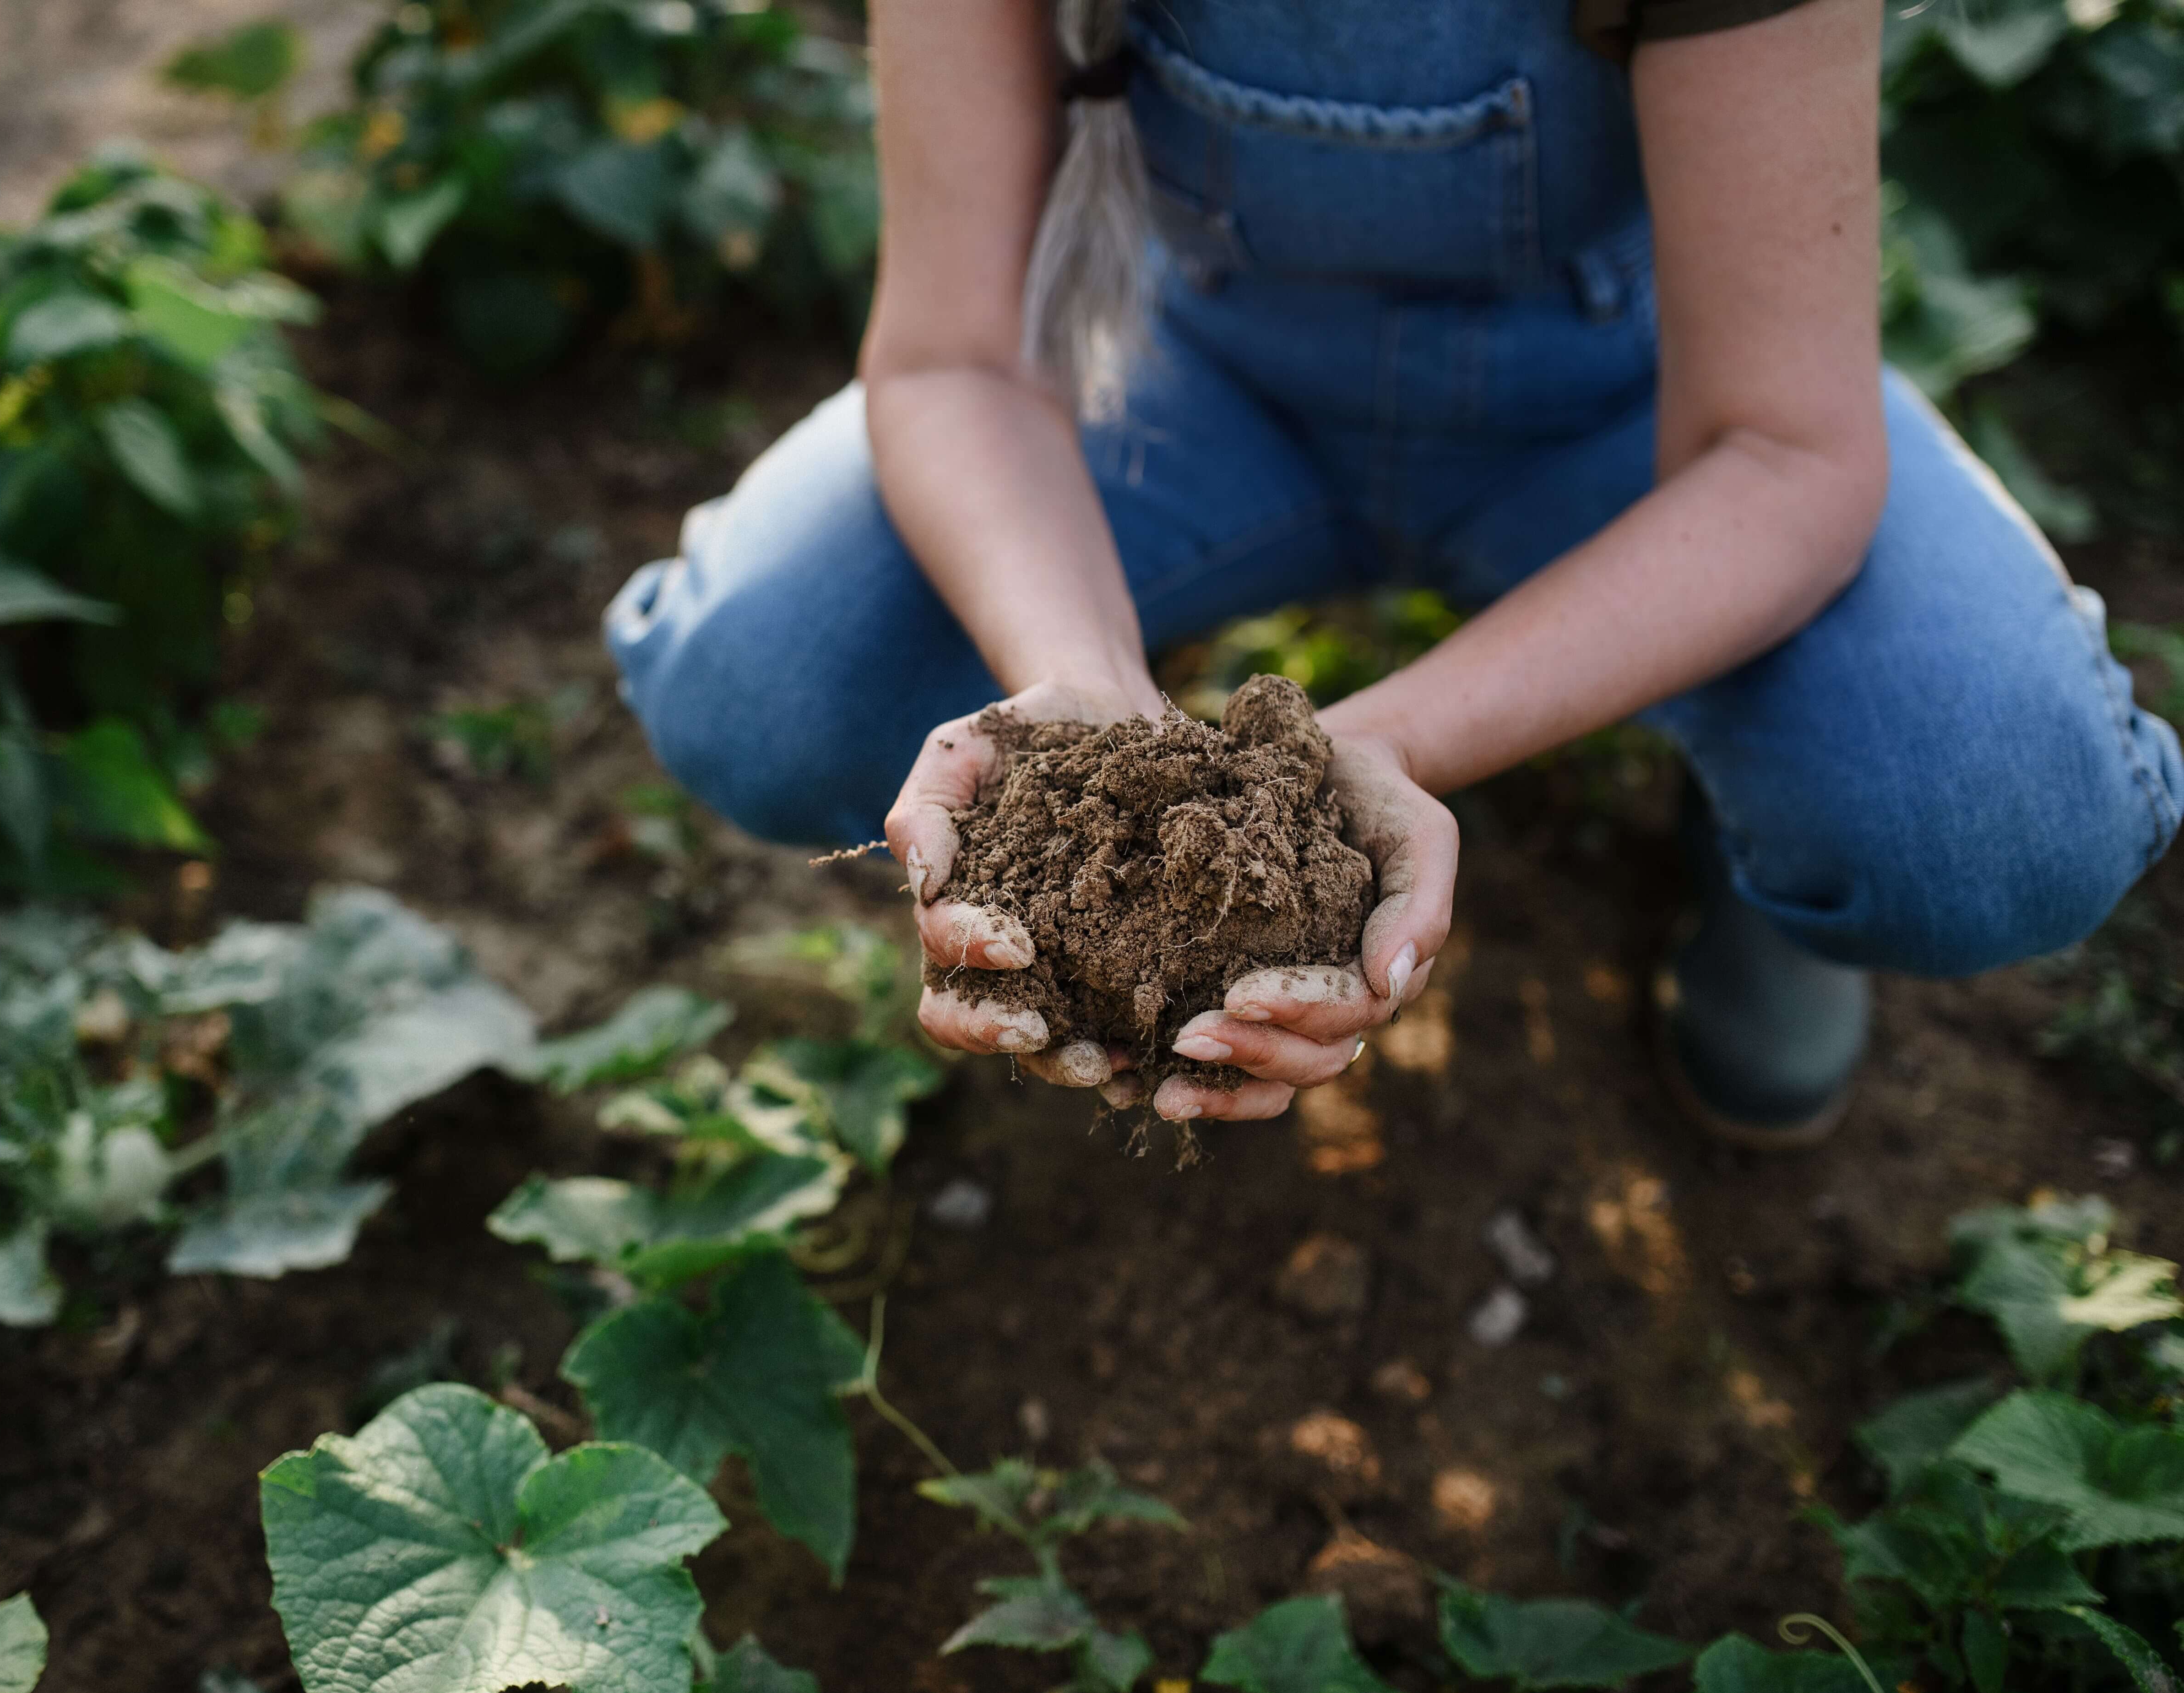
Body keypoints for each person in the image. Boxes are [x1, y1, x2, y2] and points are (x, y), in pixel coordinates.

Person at [603, 0, 2183, 1146]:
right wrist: (1079, 704)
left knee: (1991, 817)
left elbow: (1784, 450)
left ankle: (1765, 853)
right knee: (769, 688)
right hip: (1189, 371)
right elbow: (956, 356)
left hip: (1645, 412)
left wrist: (1381, 749)